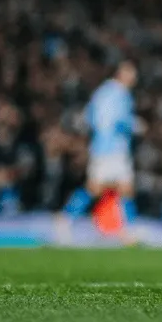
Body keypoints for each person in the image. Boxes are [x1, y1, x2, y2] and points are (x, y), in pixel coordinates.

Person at [64, 60, 140, 227]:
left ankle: (129, 229)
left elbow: (89, 118)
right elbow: (120, 120)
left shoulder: (102, 92)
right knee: (99, 188)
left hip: (101, 147)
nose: (134, 78)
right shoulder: (120, 94)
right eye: (131, 73)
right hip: (114, 148)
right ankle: (66, 218)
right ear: (121, 73)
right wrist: (136, 125)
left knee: (123, 188)